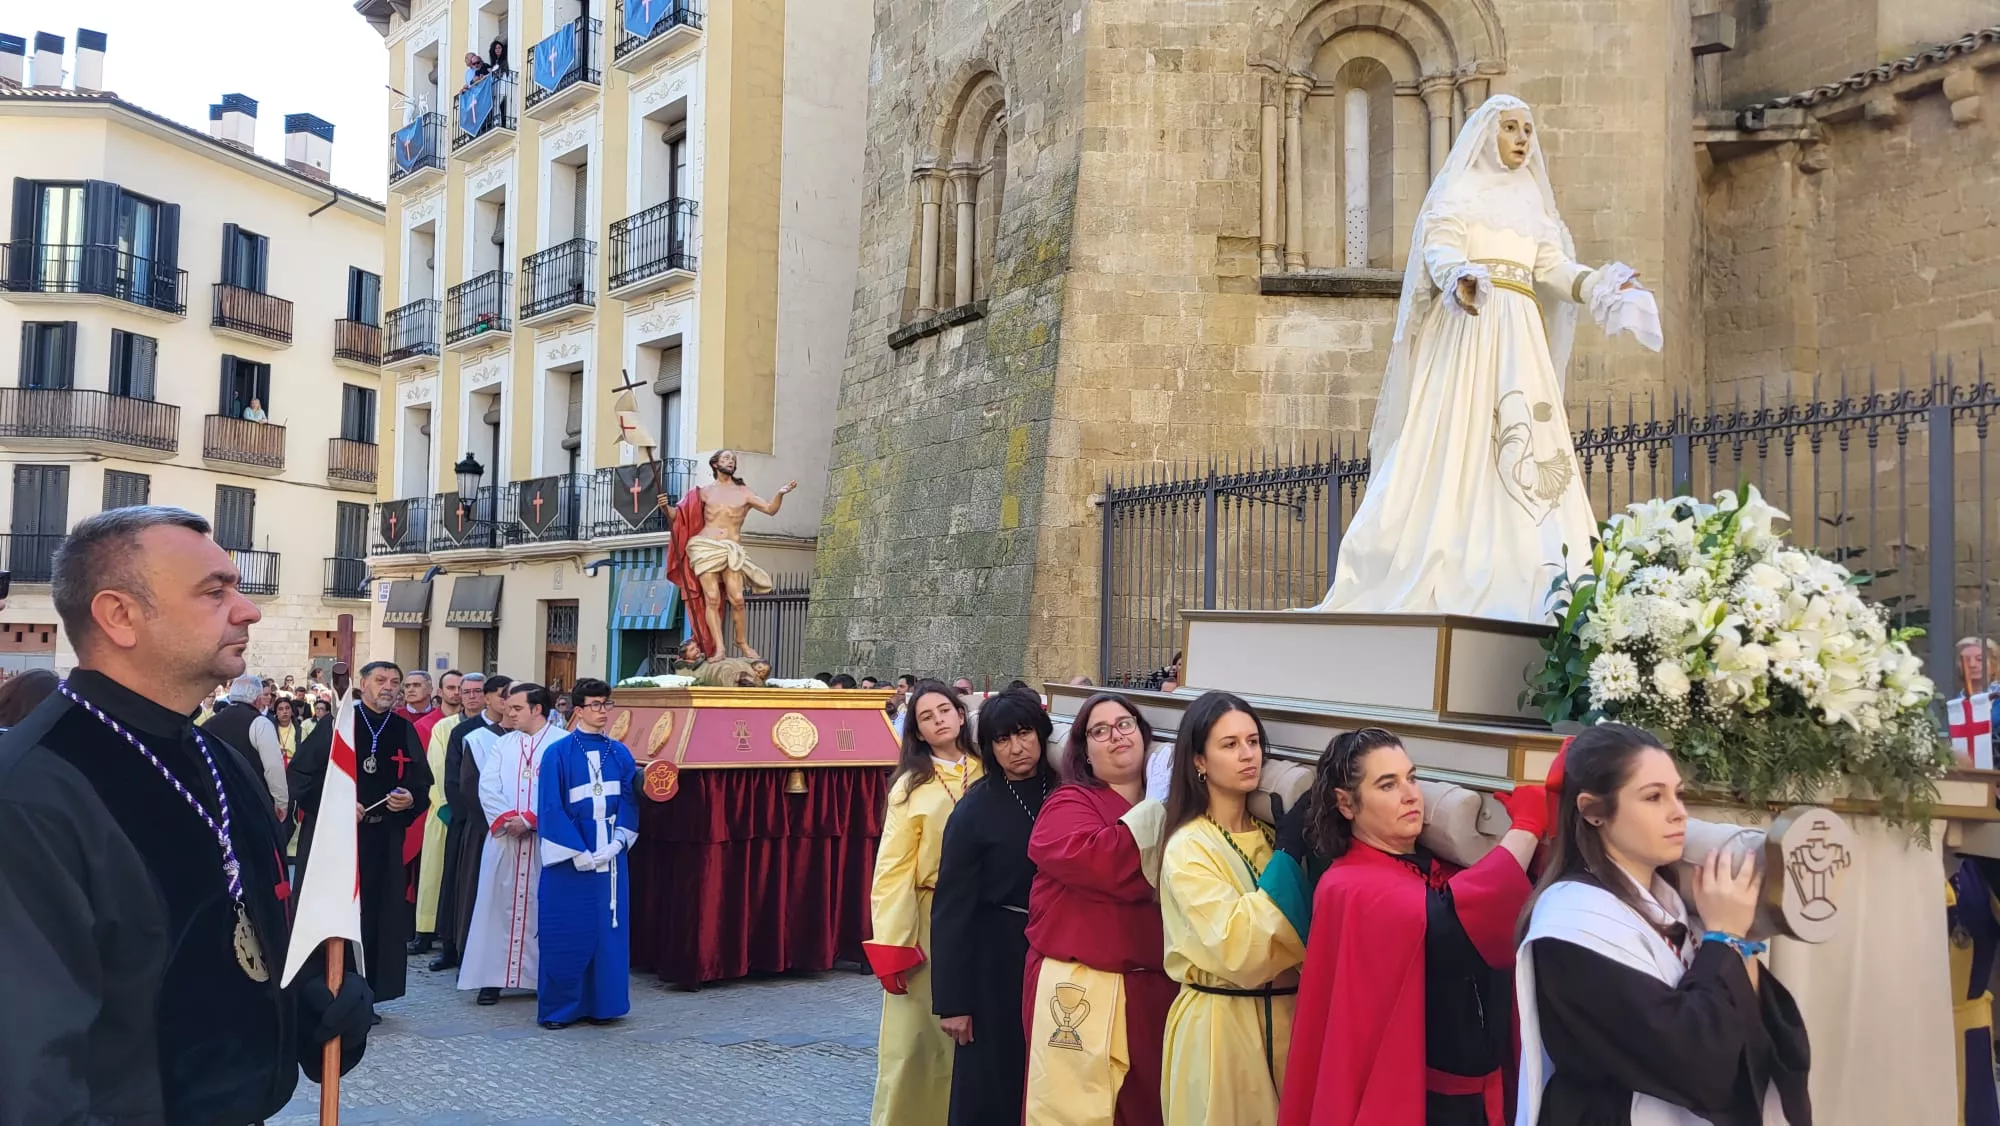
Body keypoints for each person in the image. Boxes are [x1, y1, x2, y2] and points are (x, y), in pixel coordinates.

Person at [0, 506, 371, 1124]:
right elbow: (29, 1069)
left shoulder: (222, 764)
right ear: (119, 616)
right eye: (214, 591)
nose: (247, 610)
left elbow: (240, 937)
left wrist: (313, 1008)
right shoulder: (30, 791)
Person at [1314, 96, 1654, 623]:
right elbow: (1440, 247)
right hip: (1472, 321)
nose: (1522, 138)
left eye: (1528, 129)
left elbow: (1554, 267)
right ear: (1484, 136)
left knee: (1527, 432)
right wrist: (1461, 276)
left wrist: (1603, 288)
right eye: (1510, 128)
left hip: (1520, 332)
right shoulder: (1459, 191)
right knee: (1457, 435)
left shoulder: (1532, 204)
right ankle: (1444, 547)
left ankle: (1529, 559)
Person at [1514, 723, 1811, 1126]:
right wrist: (1723, 938)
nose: (1678, 812)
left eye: (1678, 794)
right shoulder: (1572, 923)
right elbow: (1698, 1064)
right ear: (1593, 811)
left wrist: (1741, 939)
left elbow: (1752, 1043)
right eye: (1654, 797)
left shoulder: (1669, 904)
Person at [1280, 728, 1543, 1126]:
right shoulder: (1350, 885)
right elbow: (1448, 930)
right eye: (1388, 784)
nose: (1411, 795)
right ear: (1346, 803)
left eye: (1412, 778)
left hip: (1484, 1097)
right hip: (1422, 1104)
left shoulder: (1436, 870)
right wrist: (1525, 828)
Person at [1156, 692, 1311, 1126]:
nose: (1248, 755)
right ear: (1199, 761)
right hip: (1221, 1030)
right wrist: (1288, 855)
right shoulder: (1188, 847)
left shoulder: (1267, 834)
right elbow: (1239, 949)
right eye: (1229, 744)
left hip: (1289, 1022)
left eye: (1253, 741)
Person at [1022, 691, 1175, 1126]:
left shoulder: (1177, 811)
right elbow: (1103, 864)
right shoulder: (1069, 803)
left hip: (1152, 991)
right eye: (1100, 731)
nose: (1116, 736)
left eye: (1125, 724)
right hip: (1079, 984)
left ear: (1144, 736)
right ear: (1085, 752)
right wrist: (1154, 809)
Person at [930, 690, 1055, 1126]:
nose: (1016, 748)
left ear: (1040, 733)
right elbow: (951, 910)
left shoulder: (1067, 793)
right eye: (1002, 740)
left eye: (1023, 734)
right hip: (994, 960)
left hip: (1059, 953)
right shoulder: (974, 810)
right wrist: (954, 1001)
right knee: (990, 1083)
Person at [867, 680, 984, 1126]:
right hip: (928, 917)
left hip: (984, 916)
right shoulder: (910, 787)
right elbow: (893, 870)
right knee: (915, 1042)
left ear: (960, 714)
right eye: (926, 717)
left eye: (944, 711)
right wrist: (894, 943)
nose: (938, 721)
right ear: (916, 730)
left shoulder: (988, 771)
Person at [290, 660, 434, 1008]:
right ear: (363, 684)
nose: (389, 686)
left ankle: (364, 995)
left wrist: (410, 798)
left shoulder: (402, 729)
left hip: (382, 840)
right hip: (337, 843)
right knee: (336, 913)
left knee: (376, 916)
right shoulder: (338, 725)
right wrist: (339, 806)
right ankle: (323, 990)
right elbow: (301, 778)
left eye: (395, 681)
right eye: (381, 680)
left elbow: (421, 782)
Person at [536, 677, 639, 1029]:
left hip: (610, 859)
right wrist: (576, 851)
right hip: (571, 860)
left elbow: (628, 800)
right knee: (568, 928)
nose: (603, 712)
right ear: (578, 710)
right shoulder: (558, 753)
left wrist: (619, 841)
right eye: (596, 705)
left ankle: (604, 1004)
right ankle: (561, 1009)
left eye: (607, 705)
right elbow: (550, 806)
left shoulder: (620, 752)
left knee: (607, 929)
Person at [460, 682, 564, 1006]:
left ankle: (539, 978)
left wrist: (531, 819)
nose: (509, 713)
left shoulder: (562, 744)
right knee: (495, 908)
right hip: (505, 840)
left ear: (537, 709)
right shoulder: (502, 746)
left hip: (544, 844)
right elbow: (488, 785)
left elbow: (563, 790)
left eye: (517, 708)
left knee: (540, 908)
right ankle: (492, 978)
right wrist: (508, 818)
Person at [663, 449, 798, 659]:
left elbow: (771, 510)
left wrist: (780, 493)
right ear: (715, 464)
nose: (731, 461)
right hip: (705, 548)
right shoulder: (702, 492)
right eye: (726, 458)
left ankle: (741, 642)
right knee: (713, 599)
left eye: (733, 459)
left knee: (738, 599)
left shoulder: (744, 492)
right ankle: (720, 648)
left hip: (731, 549)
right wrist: (664, 507)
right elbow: (676, 517)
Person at [441, 674, 511, 973]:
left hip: (510, 824)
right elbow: (457, 780)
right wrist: (478, 817)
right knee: (461, 885)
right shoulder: (467, 732)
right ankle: (453, 946)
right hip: (473, 820)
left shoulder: (519, 731)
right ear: (489, 697)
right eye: (502, 696)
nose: (508, 703)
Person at [412, 671, 470, 956]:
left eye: (465, 689)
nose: (459, 693)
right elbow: (435, 768)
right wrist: (445, 804)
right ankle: (424, 932)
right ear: (441, 691)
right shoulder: (443, 727)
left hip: (473, 814)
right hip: (443, 808)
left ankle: (454, 935)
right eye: (453, 688)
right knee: (433, 874)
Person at [206, 672, 289, 822]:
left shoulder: (209, 724)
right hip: (252, 804)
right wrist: (281, 803)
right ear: (257, 699)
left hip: (218, 802)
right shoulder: (260, 723)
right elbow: (273, 767)